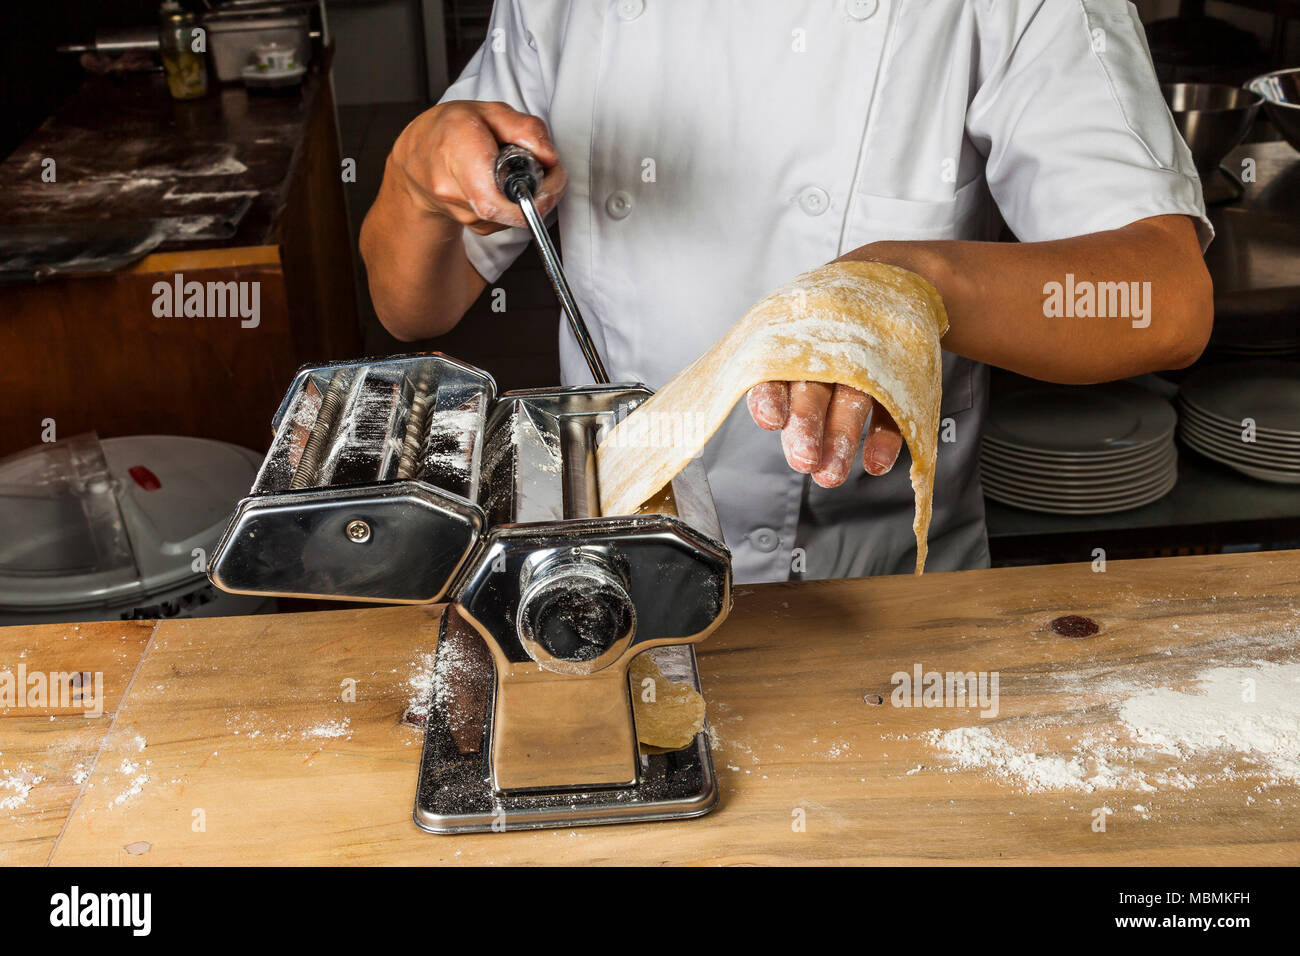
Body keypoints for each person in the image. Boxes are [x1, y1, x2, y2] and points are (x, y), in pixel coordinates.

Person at [360, 0, 1213, 584]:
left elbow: (1165, 298)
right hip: (614, 565)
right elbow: (413, 305)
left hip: (881, 596)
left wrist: (915, 287)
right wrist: (412, 173)